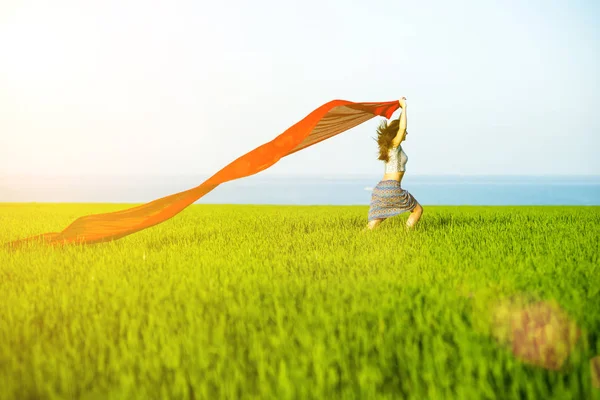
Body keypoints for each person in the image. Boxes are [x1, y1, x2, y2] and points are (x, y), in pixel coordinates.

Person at [366, 97, 423, 230]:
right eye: (405, 132)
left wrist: (399, 109)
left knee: (373, 224)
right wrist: (404, 107)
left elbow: (400, 127)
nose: (406, 134)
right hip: (392, 188)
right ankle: (405, 235)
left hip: (380, 189)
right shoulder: (393, 146)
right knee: (417, 210)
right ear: (397, 132)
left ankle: (355, 241)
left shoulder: (391, 147)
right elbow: (402, 128)